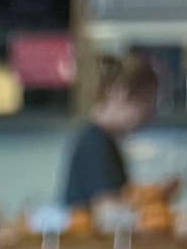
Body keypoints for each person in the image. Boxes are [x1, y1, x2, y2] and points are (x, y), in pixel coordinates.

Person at [62, 53, 168, 209]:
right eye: (148, 103)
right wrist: (155, 201)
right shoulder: (95, 141)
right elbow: (109, 211)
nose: (152, 115)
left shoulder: (101, 139)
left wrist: (155, 194)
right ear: (122, 93)